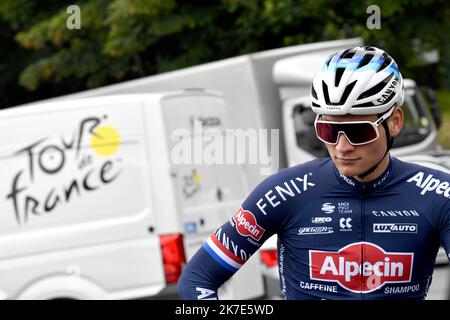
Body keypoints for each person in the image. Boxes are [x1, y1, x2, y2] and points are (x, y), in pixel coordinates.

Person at [177, 46, 450, 300]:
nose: (342, 147)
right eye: (328, 131)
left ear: (395, 122)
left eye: (358, 132)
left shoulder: (438, 195)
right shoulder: (283, 191)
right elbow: (197, 279)